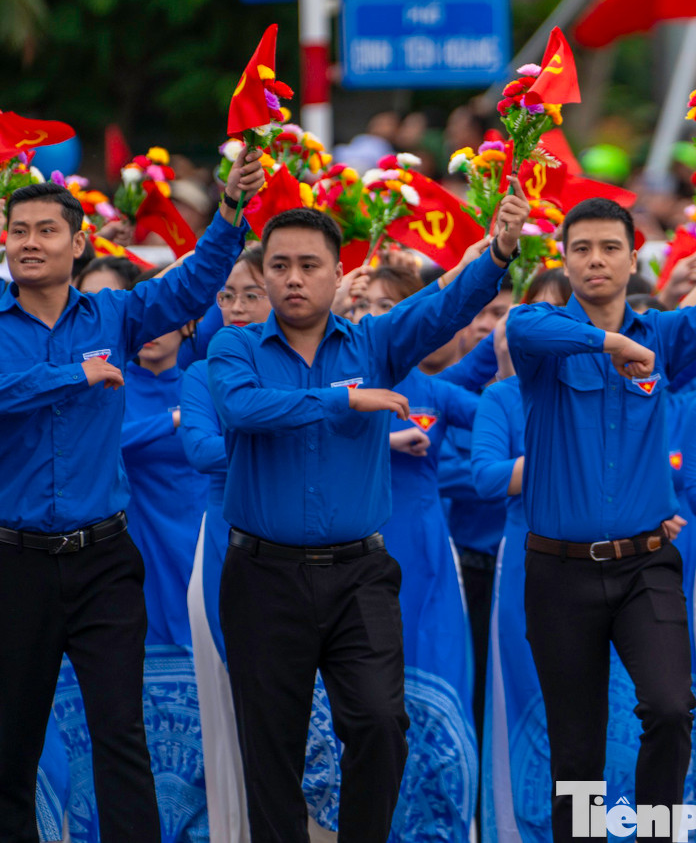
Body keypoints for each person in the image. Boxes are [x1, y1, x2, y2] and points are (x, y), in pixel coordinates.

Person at [206, 194, 524, 843]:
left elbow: (441, 310)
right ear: (266, 274)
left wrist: (497, 253)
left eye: (309, 265)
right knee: (272, 747)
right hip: (263, 575)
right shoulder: (235, 346)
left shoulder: (375, 342)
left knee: (380, 722)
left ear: (337, 273)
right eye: (280, 266)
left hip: (359, 575)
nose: (294, 278)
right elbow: (242, 409)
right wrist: (341, 400)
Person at [0, 151, 261, 843]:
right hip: (15, 562)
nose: (29, 242)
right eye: (18, 230)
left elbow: (191, 286)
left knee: (121, 732)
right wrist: (76, 374)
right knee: (11, 743)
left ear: (77, 243)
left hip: (104, 561)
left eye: (45, 230)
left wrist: (229, 211)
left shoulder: (114, 313)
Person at [506, 196, 696, 842]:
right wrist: (611, 341)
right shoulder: (542, 336)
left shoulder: (664, 337)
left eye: (610, 248)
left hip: (646, 565)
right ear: (564, 258)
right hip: (558, 572)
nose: (595, 260)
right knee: (577, 752)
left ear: (632, 258)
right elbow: (522, 327)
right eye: (582, 248)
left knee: (672, 708)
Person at [183, 246, 346, 843]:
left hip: (322, 549)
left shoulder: (319, 362)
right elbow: (201, 449)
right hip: (230, 547)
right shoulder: (204, 373)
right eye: (226, 295)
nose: (237, 306)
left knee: (330, 712)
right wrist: (286, 434)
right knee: (243, 709)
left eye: (251, 293)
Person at [473, 279, 644, 843]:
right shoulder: (501, 398)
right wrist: (555, 457)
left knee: (621, 710)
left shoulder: (617, 388)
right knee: (543, 708)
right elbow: (486, 477)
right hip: (534, 565)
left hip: (618, 569)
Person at [357, 264, 483, 838]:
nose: (373, 317)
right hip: (358, 552)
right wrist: (387, 440)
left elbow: (502, 419)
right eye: (364, 306)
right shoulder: (340, 386)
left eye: (388, 306)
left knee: (436, 673)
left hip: (428, 557)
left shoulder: (436, 390)